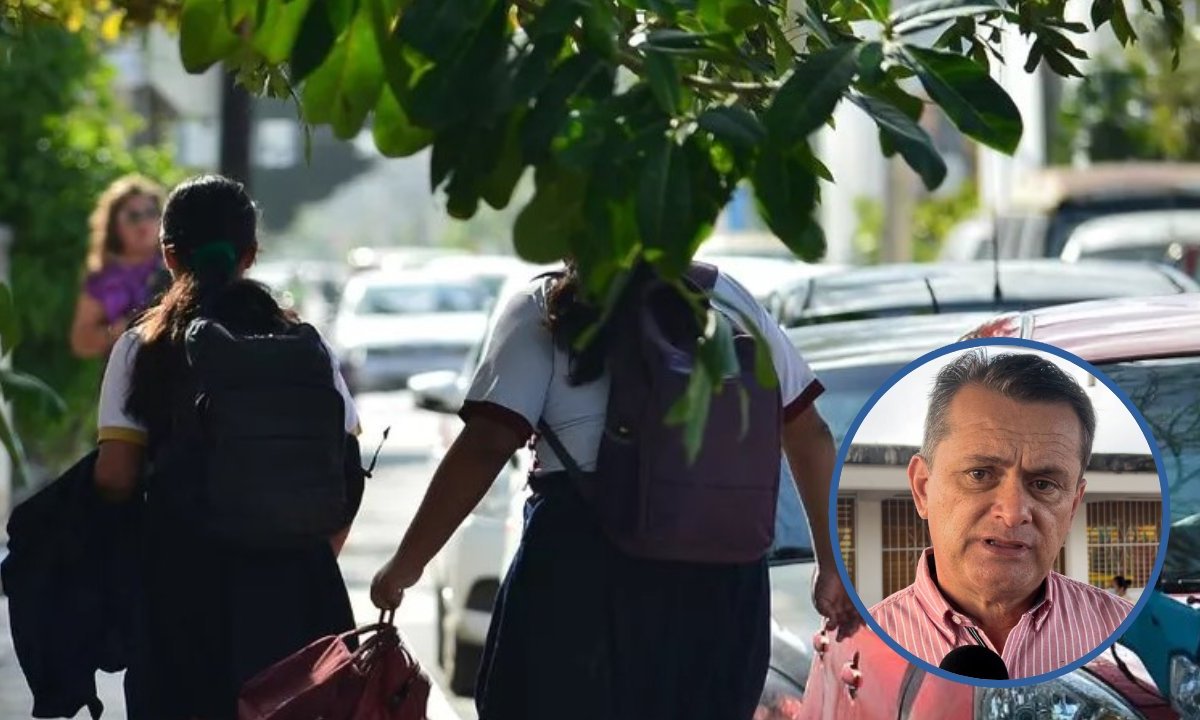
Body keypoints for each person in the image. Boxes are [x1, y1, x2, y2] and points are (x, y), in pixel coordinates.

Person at [370, 260, 859, 719]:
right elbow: (808, 433)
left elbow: (486, 445)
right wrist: (831, 564)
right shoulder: (725, 299)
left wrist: (406, 565)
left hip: (586, 574)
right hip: (724, 585)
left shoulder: (546, 310)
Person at [94, 175, 360, 719]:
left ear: (169, 256)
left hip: (183, 592)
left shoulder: (141, 349)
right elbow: (343, 476)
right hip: (299, 597)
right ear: (251, 254)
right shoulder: (305, 346)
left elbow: (116, 478)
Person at [870, 350, 1134, 679]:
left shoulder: (1132, 641)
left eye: (1044, 484)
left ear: (1073, 506)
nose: (1012, 514)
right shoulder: (859, 648)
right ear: (923, 488)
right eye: (980, 475)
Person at [70, 175, 171, 359]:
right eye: (133, 216)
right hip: (122, 375)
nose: (143, 224)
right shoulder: (102, 278)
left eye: (151, 213)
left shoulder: (175, 267)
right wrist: (118, 331)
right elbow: (80, 342)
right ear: (113, 225)